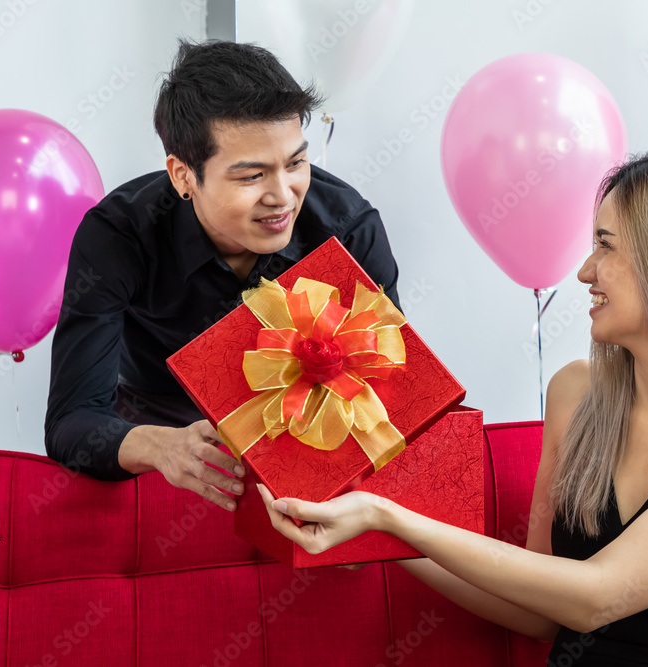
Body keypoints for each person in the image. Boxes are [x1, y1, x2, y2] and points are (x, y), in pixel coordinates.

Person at [254, 149, 648, 665]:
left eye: (606, 247)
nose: (584, 271)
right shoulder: (576, 393)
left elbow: (599, 596)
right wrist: (368, 532)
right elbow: (540, 611)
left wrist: (390, 518)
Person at [44, 39, 402, 514]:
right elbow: (72, 420)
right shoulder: (119, 236)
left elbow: (393, 388)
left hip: (307, 428)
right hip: (159, 421)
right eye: (251, 176)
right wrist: (161, 447)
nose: (283, 197)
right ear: (183, 176)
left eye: (295, 163)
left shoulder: (347, 230)